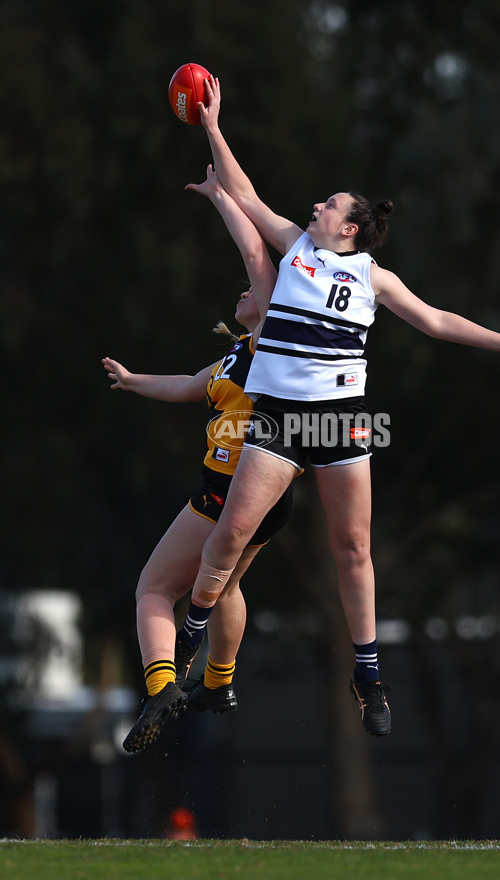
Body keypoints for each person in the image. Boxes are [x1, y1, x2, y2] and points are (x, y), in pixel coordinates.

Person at [177, 75, 500, 738]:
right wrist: (212, 125)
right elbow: (245, 194)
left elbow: (437, 321)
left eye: (328, 204)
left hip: (337, 418)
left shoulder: (372, 277)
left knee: (353, 546)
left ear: (350, 227)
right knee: (228, 538)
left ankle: (369, 674)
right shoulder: (294, 246)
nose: (315, 206)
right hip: (279, 419)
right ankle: (195, 625)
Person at [104, 167, 293, 754]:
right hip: (272, 498)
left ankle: (163, 684)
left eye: (250, 292)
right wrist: (133, 381)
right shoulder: (241, 354)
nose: (243, 293)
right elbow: (188, 385)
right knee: (227, 580)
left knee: (155, 589)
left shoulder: (274, 342)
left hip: (231, 490)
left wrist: (221, 197)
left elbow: (255, 253)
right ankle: (219, 682)